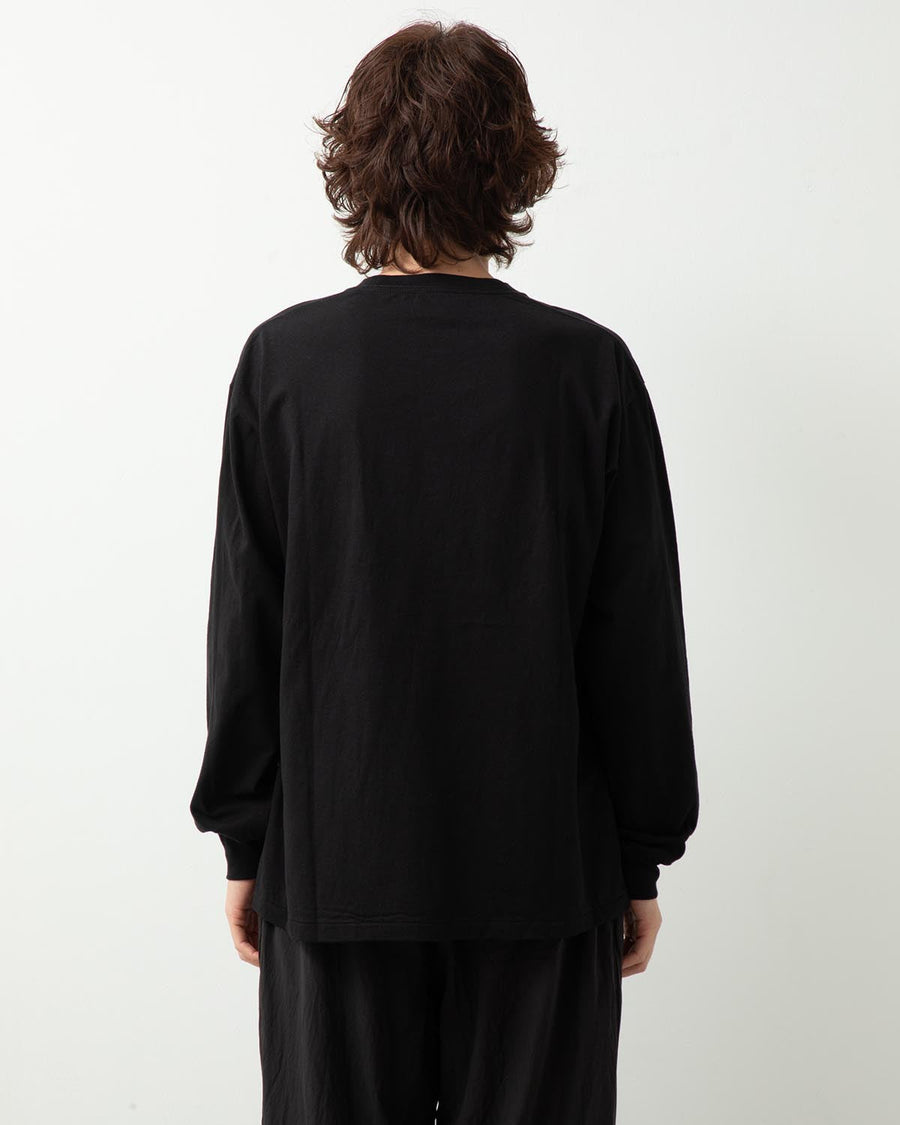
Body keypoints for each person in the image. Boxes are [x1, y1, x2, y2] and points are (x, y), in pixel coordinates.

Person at [189, 18, 700, 1124]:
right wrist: (639, 860)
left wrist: (247, 838)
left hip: (336, 862)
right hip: (544, 868)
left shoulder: (285, 365)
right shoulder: (586, 368)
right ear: (514, 164)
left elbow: (249, 624)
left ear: (357, 161)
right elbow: (637, 638)